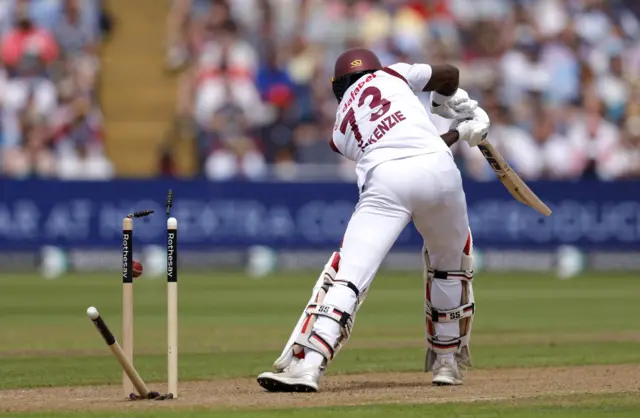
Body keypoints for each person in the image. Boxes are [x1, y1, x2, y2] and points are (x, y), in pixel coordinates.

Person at [257, 48, 490, 392]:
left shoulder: (339, 129)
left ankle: (308, 366)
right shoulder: (394, 74)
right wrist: (452, 113)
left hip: (387, 181)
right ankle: (447, 362)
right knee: (449, 267)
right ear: (374, 69)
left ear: (338, 87)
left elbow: (396, 149)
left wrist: (455, 127)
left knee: (349, 277)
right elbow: (450, 74)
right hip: (441, 170)